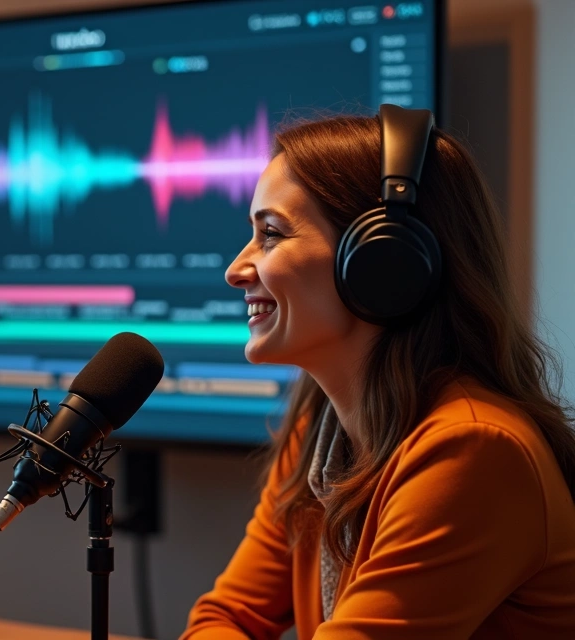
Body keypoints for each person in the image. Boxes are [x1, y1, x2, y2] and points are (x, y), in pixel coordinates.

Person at [182, 105, 575, 639]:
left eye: (270, 234)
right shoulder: (316, 441)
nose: (236, 270)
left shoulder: (472, 451)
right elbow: (223, 618)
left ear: (379, 261)